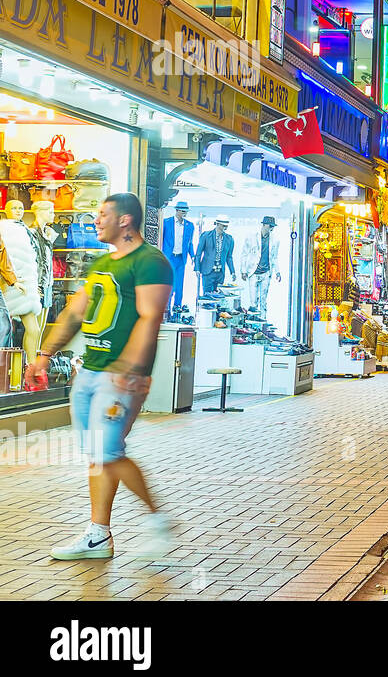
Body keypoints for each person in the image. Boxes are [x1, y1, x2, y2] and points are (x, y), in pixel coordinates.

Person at [27, 195, 174, 560]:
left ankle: (157, 519)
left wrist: (132, 369)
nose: (96, 220)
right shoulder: (103, 262)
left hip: (119, 375)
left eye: (103, 215)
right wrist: (43, 356)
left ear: (125, 221)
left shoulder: (150, 262)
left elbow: (149, 317)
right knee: (98, 454)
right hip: (89, 371)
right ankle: (98, 536)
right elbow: (76, 312)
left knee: (108, 451)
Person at [239, 216, 281, 316]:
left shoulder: (275, 240)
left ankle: (263, 322)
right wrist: (243, 270)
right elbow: (244, 254)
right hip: (253, 271)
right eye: (270, 226)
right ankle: (253, 323)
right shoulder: (252, 237)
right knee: (253, 300)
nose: (271, 228)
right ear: (264, 225)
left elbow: (274, 257)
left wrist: (277, 272)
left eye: (273, 226)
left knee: (263, 299)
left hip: (266, 272)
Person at [159, 201, 195, 309]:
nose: (185, 213)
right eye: (183, 211)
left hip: (181, 258)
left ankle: (177, 308)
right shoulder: (166, 222)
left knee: (179, 285)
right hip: (169, 258)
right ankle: (167, 309)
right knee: (170, 285)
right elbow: (161, 240)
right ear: (177, 210)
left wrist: (192, 255)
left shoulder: (189, 225)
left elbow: (190, 243)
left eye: (186, 212)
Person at [194, 215, 235, 296]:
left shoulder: (229, 239)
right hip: (208, 271)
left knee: (219, 296)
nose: (225, 228)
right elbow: (198, 254)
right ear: (217, 224)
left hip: (220, 272)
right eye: (223, 226)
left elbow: (229, 257)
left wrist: (232, 271)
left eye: (226, 226)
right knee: (207, 295)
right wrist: (197, 268)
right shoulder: (206, 235)